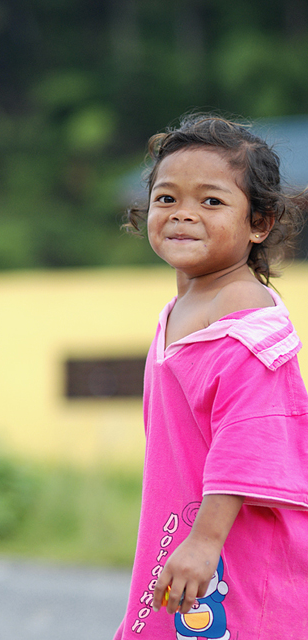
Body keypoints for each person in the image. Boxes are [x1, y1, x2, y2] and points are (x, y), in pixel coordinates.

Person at [114, 115, 308, 640]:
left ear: (260, 223)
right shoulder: (185, 307)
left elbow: (249, 435)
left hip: (232, 548)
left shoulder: (242, 309)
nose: (183, 216)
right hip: (186, 528)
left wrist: (204, 542)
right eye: (167, 199)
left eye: (212, 202)